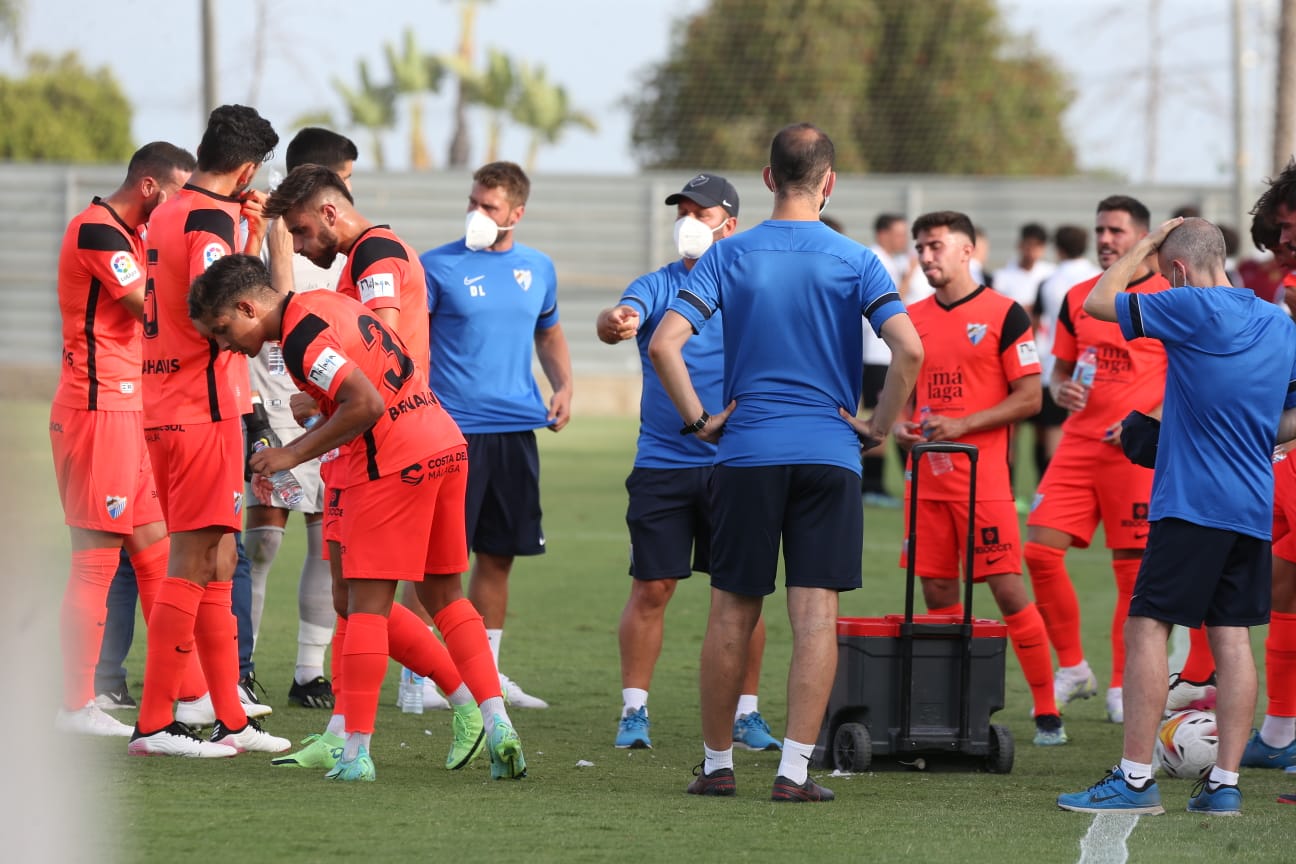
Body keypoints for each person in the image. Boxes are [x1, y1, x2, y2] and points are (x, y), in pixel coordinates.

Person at [649, 123, 923, 802]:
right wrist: (877, 428)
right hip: (830, 455)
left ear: (768, 178)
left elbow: (664, 344)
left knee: (730, 614)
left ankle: (717, 767)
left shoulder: (729, 254)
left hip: (745, 453)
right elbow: (910, 350)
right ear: (828, 183)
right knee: (815, 617)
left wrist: (699, 422)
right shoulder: (857, 259)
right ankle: (794, 772)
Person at [189, 254, 527, 781]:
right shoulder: (328, 303)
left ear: (246, 306)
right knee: (441, 593)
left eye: (223, 329)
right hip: (442, 442)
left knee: (365, 606)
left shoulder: (301, 336)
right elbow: (368, 380)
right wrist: (322, 406)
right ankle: (493, 716)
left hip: (392, 462)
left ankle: (356, 752)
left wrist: (291, 452)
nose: (225, 344)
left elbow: (365, 402)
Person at [261, 164, 506, 776]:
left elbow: (379, 344)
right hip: (402, 437)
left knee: (366, 599)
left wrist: (324, 398)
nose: (301, 245)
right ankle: (354, 727)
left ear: (329, 212)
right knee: (358, 595)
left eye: (300, 232)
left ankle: (428, 716)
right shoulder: (362, 258)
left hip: (383, 446)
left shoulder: (374, 256)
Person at [1057, 216, 1296, 816]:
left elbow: (1098, 301)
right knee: (1232, 637)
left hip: (1193, 502)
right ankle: (1224, 786)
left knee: (1147, 626)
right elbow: (1289, 420)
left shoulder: (1190, 304)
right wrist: (1250, 436)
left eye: (1166, 273)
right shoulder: (1277, 319)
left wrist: (1144, 244)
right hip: (1249, 501)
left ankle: (1135, 780)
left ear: (1179, 270)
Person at [596, 173, 779, 753]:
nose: (689, 222)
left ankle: (747, 714)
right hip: (663, 463)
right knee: (652, 588)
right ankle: (634, 711)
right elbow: (619, 316)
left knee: (742, 592)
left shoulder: (755, 286)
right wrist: (615, 320)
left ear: (731, 222)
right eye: (684, 211)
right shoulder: (657, 284)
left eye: (701, 212)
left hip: (739, 463)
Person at [132, 104, 288, 758]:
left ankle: (229, 715)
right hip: (201, 408)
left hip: (166, 402)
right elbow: (220, 305)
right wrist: (262, 236)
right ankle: (156, 723)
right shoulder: (214, 220)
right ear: (248, 168)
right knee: (196, 562)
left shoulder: (166, 209)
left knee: (219, 562)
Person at [895, 210, 1063, 747]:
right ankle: (955, 704)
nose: (926, 257)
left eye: (936, 246)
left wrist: (963, 424)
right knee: (937, 591)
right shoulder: (910, 317)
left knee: (1009, 590)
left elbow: (1032, 397)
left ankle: (1046, 710)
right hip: (925, 481)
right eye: (920, 248)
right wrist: (897, 426)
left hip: (982, 481)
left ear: (969, 251)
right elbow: (903, 398)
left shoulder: (1006, 313)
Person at [49, 142, 195, 737]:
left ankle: (188, 697)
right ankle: (75, 706)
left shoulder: (132, 238)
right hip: (95, 410)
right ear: (153, 190)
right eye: (182, 195)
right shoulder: (97, 231)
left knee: (159, 559)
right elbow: (151, 308)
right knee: (95, 565)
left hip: (126, 410)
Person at [421, 161, 574, 708]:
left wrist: (564, 386)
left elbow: (549, 334)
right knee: (437, 559)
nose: (475, 213)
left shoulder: (539, 268)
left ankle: (482, 673)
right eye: (472, 202)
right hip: (452, 433)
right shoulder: (434, 266)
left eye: (487, 207)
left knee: (497, 556)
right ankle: (423, 676)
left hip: (515, 431)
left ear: (516, 213)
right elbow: (412, 344)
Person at [1024, 196, 1168, 727]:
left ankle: (1120, 684)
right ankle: (1075, 668)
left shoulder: (1168, 297)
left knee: (1133, 576)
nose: (1106, 239)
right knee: (1039, 552)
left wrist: (1144, 420)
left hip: (1136, 453)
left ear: (1144, 238)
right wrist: (1060, 390)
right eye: (1100, 230)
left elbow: (1186, 378)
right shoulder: (1078, 296)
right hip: (1077, 445)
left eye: (1116, 231)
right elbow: (1061, 370)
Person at [241, 128, 359, 711]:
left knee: (324, 541)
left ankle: (309, 671)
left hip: (323, 405)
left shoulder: (346, 248)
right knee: (262, 543)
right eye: (345, 176)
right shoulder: (260, 226)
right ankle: (242, 666)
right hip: (269, 399)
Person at [1030, 225, 1100, 476]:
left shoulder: (1048, 282)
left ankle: (1049, 486)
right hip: (1097, 365)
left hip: (1054, 364)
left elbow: (1035, 326)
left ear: (1057, 249)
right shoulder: (1100, 277)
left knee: (1052, 432)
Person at [860, 213, 915, 508]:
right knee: (879, 416)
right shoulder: (875, 259)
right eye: (898, 233)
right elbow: (890, 303)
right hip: (876, 353)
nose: (903, 239)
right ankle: (872, 484)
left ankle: (873, 483)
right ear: (882, 233)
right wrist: (908, 277)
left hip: (884, 354)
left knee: (886, 416)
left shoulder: (889, 259)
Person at [992, 222, 1054, 310]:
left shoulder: (1051, 273)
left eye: (1038, 245)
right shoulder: (1001, 276)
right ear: (1020, 244)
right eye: (1029, 244)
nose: (1033, 250)